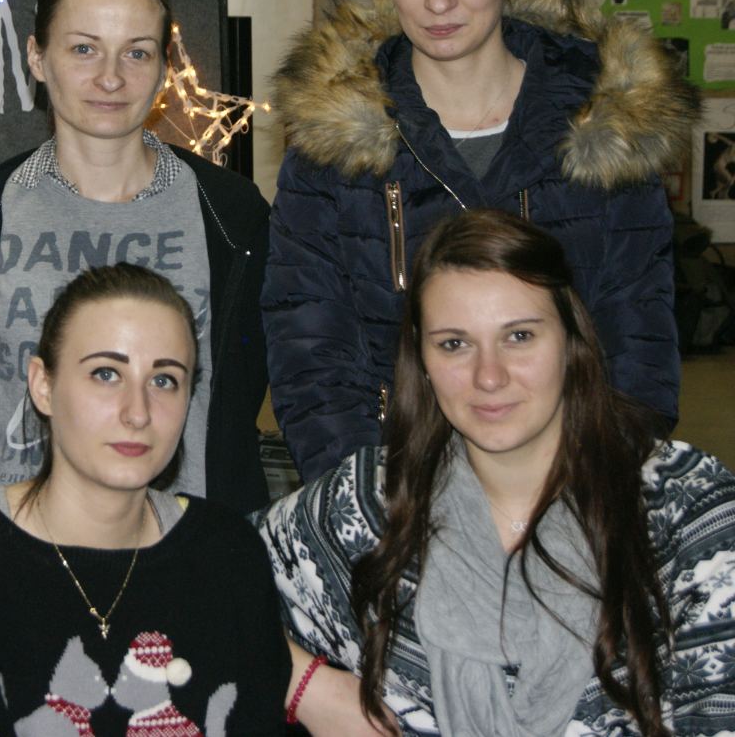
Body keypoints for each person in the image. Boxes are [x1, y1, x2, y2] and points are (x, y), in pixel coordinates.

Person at [262, 0, 698, 482]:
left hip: (572, 479)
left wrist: (595, 487)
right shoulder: (332, 140)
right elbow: (310, 350)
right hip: (397, 479)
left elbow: (638, 339)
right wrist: (367, 498)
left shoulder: (607, 124)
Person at [259, 211, 735, 735]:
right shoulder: (368, 504)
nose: (489, 376)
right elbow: (197, 576)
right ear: (421, 360)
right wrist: (306, 687)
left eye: (520, 336)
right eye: (454, 344)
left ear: (572, 341)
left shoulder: (685, 511)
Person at [0, 0, 271, 515]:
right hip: (10, 541)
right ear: (37, 58)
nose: (111, 78)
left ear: (164, 68)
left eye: (137, 52)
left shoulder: (233, 219)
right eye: (84, 49)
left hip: (181, 542)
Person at [0, 264, 289, 734]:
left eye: (164, 380)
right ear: (43, 386)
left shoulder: (229, 556)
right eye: (106, 373)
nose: (137, 413)